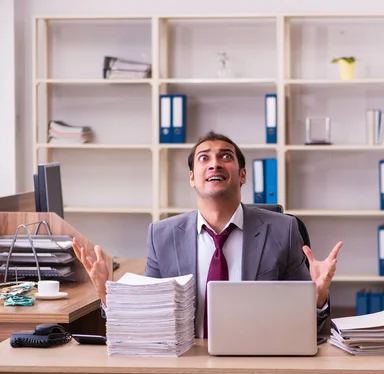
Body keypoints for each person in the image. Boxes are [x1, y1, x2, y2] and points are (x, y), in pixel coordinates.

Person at [72, 131, 343, 338]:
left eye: (226, 156)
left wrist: (317, 297)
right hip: (187, 364)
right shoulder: (162, 235)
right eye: (204, 158)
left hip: (259, 360)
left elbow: (307, 323)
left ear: (243, 175)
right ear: (192, 177)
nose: (215, 164)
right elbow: (149, 316)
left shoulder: (283, 229)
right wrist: (108, 296)